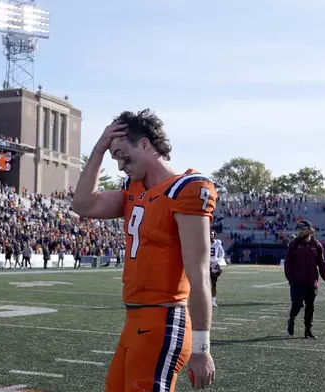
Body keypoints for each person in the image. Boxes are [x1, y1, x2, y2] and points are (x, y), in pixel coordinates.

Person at [72, 109, 216, 391]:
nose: (121, 165)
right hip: (133, 321)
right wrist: (99, 149)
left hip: (164, 319)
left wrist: (202, 348)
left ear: (145, 144)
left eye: (123, 155)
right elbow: (83, 204)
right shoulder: (133, 190)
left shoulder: (186, 189)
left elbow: (199, 274)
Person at [284, 220, 325, 339]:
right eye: (299, 230)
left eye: (302, 229)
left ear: (310, 230)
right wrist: (290, 278)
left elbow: (322, 264)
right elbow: (287, 263)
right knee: (297, 303)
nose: (300, 232)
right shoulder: (294, 244)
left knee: (310, 306)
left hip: (311, 281)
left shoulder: (317, 245)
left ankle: (308, 331)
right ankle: (291, 319)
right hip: (297, 281)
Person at [210, 231, 224, 307]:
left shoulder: (218, 242)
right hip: (205, 264)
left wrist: (219, 260)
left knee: (213, 284)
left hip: (213, 264)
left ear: (215, 235)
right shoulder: (204, 241)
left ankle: (213, 301)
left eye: (212, 234)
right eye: (209, 234)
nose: (211, 235)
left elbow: (222, 252)